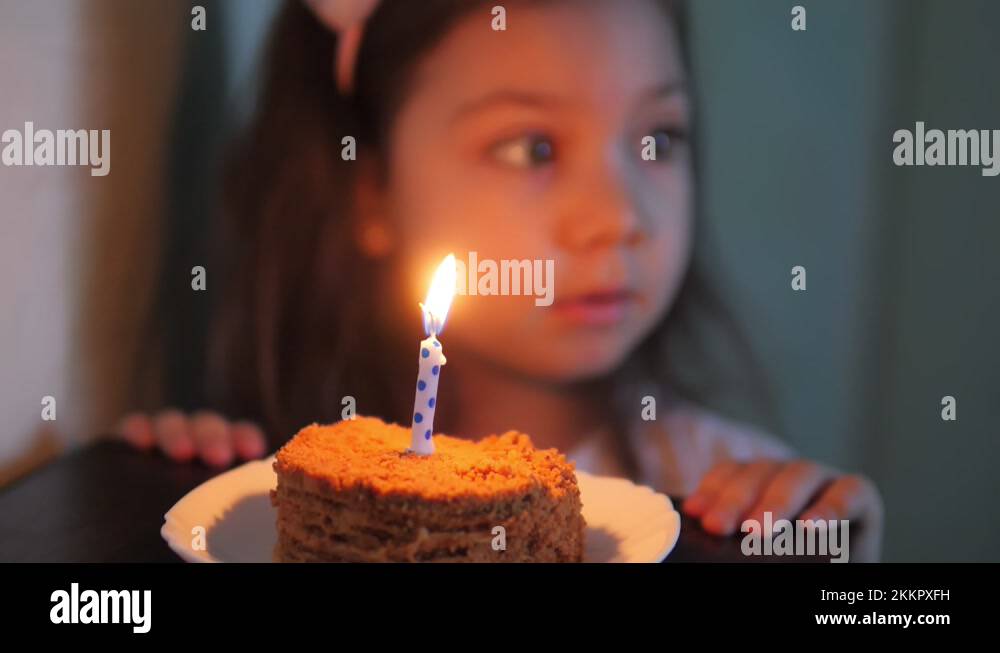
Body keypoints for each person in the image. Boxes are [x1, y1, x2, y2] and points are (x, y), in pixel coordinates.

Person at [117, 0, 883, 560]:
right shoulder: (291, 491)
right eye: (532, 150)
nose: (617, 216)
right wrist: (147, 481)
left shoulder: (725, 498)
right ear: (369, 191)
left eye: (658, 138)